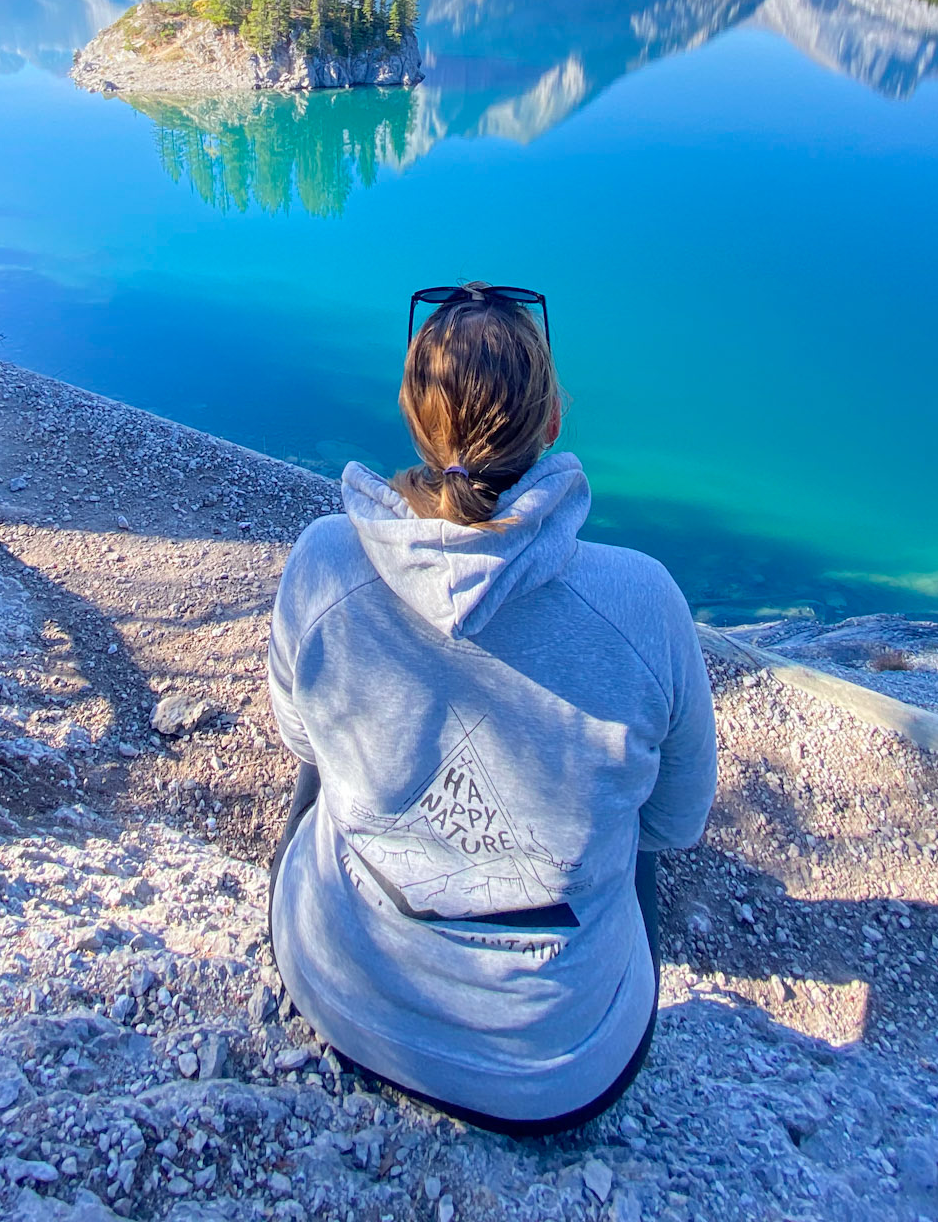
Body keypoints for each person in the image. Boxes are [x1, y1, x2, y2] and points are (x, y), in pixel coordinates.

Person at [266, 282, 717, 1136]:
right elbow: (677, 821)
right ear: (551, 427)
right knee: (630, 821)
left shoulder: (324, 564)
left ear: (412, 417)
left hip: (344, 1001)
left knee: (321, 761)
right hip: (557, 1072)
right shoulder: (644, 603)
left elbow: (299, 736)